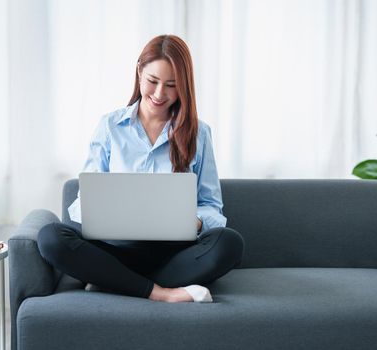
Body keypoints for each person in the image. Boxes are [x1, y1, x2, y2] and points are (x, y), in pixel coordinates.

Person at [37, 34, 244, 303]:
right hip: (113, 249)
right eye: (153, 81)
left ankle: (113, 281)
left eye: (171, 85)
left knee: (229, 243)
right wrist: (94, 211)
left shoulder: (199, 134)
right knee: (50, 237)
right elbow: (81, 202)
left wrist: (196, 221)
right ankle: (162, 293)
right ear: (139, 72)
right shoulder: (109, 126)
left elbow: (212, 207)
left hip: (172, 254)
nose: (160, 94)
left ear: (184, 85)